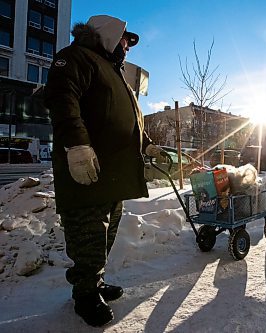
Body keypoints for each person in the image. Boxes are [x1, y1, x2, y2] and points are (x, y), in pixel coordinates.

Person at [44, 15, 165, 327]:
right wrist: (76, 145)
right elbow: (62, 97)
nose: (127, 47)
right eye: (126, 39)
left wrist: (148, 145)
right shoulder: (76, 57)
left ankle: (94, 283)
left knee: (105, 233)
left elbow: (128, 119)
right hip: (88, 167)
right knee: (88, 232)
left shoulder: (114, 72)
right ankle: (84, 293)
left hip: (112, 172)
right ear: (109, 34)